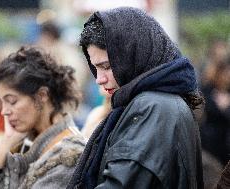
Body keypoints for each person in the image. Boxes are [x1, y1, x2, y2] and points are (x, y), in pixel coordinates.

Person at [67, 7, 204, 189]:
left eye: (107, 66)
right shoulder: (154, 103)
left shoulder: (153, 107)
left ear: (134, 56)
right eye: (96, 68)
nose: (99, 79)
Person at [0, 47, 85, 189]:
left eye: (12, 101)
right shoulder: (19, 142)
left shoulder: (70, 155)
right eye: (2, 102)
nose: (4, 111)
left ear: (42, 95)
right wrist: (4, 147)